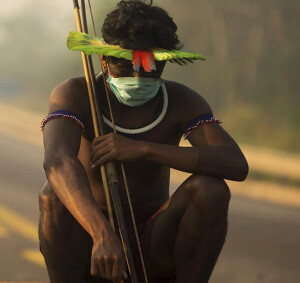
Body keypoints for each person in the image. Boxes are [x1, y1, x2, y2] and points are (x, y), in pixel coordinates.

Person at [39, 1, 248, 282]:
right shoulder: (75, 93)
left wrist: (143, 149)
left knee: (211, 189)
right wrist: (101, 232)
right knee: (53, 194)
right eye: (126, 65)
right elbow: (57, 160)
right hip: (89, 237)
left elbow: (235, 163)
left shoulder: (181, 101)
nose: (138, 78)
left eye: (151, 68)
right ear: (104, 59)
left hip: (153, 237)